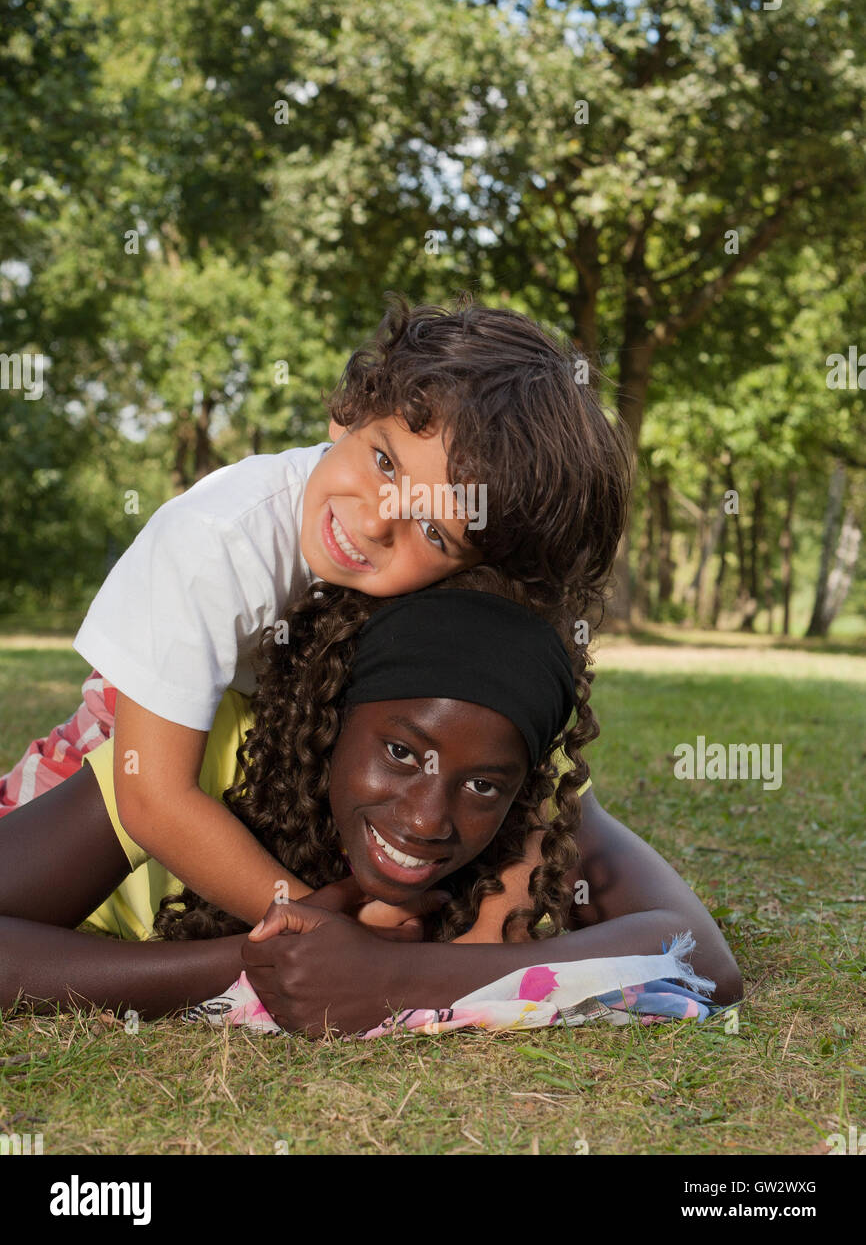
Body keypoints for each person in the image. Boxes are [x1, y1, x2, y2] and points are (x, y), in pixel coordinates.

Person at [0, 292, 632, 938]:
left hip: (272, 784)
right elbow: (152, 799)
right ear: (348, 411)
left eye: (435, 532)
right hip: (116, 769)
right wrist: (328, 927)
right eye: (384, 462)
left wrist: (486, 938)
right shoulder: (217, 540)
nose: (375, 521)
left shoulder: (452, 597)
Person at [0, 568, 743, 1033]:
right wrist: (253, 959)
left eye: (483, 784)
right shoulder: (205, 755)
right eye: (401, 752)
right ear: (332, 717)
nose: (427, 817)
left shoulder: (531, 811)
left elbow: (700, 957)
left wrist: (390, 978)